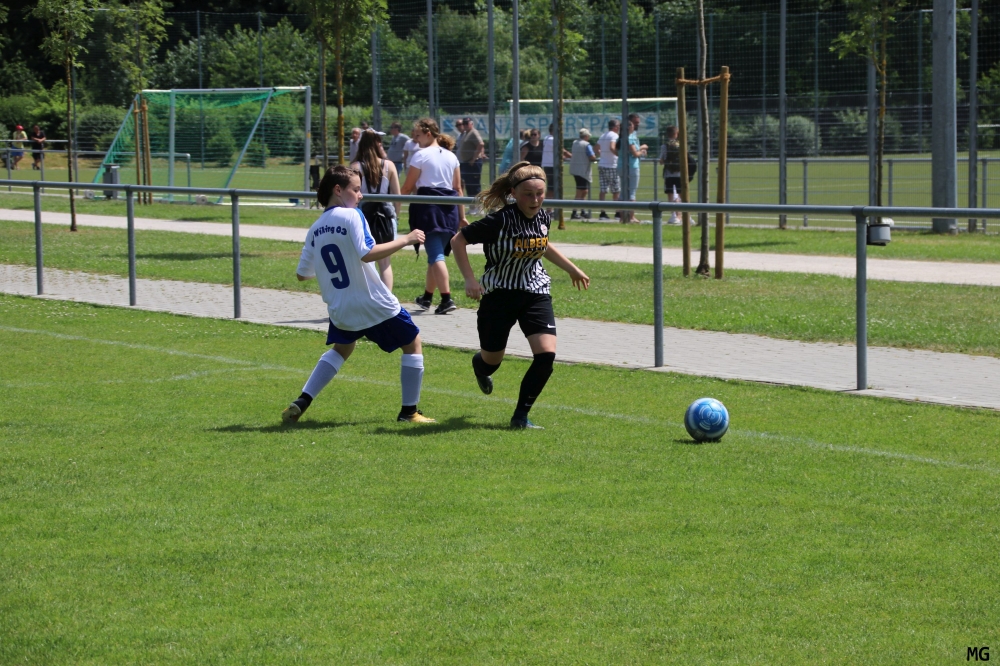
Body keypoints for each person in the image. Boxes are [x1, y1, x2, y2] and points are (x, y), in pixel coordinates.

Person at [281, 165, 434, 425]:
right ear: (338, 190)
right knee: (413, 343)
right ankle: (409, 413)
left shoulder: (315, 228)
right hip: (373, 302)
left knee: (343, 348)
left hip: (340, 307)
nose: (360, 195)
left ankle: (303, 400)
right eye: (356, 189)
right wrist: (406, 239)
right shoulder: (352, 215)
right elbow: (367, 253)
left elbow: (302, 275)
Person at [450, 162, 591, 430]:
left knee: (546, 355)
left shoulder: (543, 217)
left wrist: (572, 269)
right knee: (491, 361)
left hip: (535, 292)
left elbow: (543, 244)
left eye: (540, 193)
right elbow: (458, 240)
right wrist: (469, 279)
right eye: (528, 194)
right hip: (499, 295)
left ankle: (520, 417)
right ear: (514, 193)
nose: (535, 200)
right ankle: (481, 366)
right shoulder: (499, 220)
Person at [401, 117, 465, 315]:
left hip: (429, 210)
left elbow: (408, 187)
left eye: (418, 135)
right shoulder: (451, 156)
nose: (416, 139)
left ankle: (446, 298)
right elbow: (458, 188)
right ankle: (427, 297)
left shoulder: (420, 155)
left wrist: (394, 201)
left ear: (428, 134)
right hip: (449, 210)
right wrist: (461, 215)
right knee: (434, 255)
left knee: (436, 255)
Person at [351, 129, 402, 289]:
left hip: (363, 216)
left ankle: (367, 296)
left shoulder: (355, 166)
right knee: (385, 263)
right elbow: (397, 196)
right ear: (378, 144)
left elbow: (351, 195)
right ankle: (387, 298)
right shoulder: (389, 166)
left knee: (363, 260)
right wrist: (396, 216)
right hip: (386, 216)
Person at [622, 113, 648, 223]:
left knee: (624, 192)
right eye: (635, 123)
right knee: (631, 193)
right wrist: (642, 150)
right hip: (632, 166)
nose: (637, 124)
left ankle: (623, 217)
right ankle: (631, 217)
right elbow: (634, 153)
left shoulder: (622, 136)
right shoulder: (630, 136)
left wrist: (639, 149)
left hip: (623, 165)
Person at [569, 128, 598, 219]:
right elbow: (592, 156)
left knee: (584, 191)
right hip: (582, 170)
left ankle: (582, 211)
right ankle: (575, 212)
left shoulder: (575, 143)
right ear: (586, 136)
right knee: (581, 191)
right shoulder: (586, 145)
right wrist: (596, 156)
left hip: (575, 169)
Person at [540, 123, 572, 206]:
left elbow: (555, 152)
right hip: (551, 166)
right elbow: (562, 150)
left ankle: (550, 208)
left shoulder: (547, 138)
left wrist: (563, 157)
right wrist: (572, 156)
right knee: (552, 188)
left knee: (552, 188)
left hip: (549, 165)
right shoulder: (552, 139)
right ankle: (549, 208)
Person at [659, 125, 683, 224]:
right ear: (676, 133)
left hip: (669, 174)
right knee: (681, 194)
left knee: (670, 194)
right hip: (680, 173)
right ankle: (683, 214)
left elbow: (661, 161)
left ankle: (673, 215)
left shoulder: (664, 146)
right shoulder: (681, 145)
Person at [596, 119, 620, 220]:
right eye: (618, 126)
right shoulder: (614, 136)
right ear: (615, 127)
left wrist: (602, 155)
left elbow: (596, 148)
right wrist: (618, 155)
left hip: (602, 164)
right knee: (616, 190)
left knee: (603, 190)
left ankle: (602, 213)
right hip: (612, 165)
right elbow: (612, 147)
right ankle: (618, 212)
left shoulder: (603, 135)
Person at [457, 116, 484, 197]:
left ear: (471, 124)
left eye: (467, 123)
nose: (465, 125)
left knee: (474, 185)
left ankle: (478, 203)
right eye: (464, 123)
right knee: (469, 185)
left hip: (473, 163)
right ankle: (471, 203)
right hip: (467, 163)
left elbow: (480, 144)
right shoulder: (466, 133)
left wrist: (473, 158)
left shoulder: (473, 132)